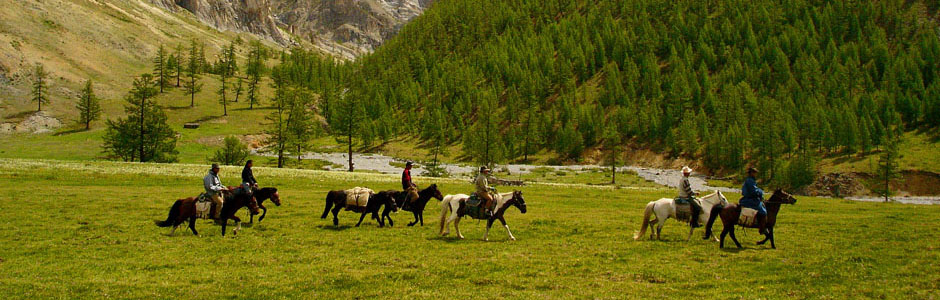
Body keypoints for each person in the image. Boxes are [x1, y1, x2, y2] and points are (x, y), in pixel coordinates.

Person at [740, 167, 767, 235]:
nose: (755, 174)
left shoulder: (750, 180)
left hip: (750, 198)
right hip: (750, 200)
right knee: (763, 211)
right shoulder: (750, 181)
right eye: (754, 173)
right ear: (751, 173)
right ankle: (761, 228)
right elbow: (754, 191)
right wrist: (760, 193)